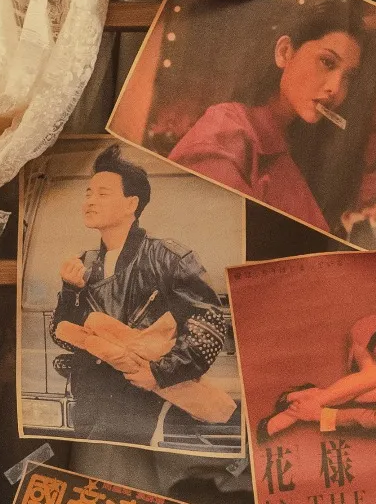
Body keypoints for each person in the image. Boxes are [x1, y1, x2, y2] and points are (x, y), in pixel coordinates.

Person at [49, 144, 238, 452]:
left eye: (102, 194)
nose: (90, 201)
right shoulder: (84, 262)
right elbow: (62, 334)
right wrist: (70, 290)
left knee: (115, 460)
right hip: (86, 392)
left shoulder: (166, 257)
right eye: (88, 193)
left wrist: (160, 373)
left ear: (131, 203)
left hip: (138, 396)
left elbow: (209, 321)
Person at [169, 0, 366, 235]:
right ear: (285, 52)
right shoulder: (227, 129)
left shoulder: (301, 150)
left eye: (348, 77)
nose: (335, 88)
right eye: (327, 62)